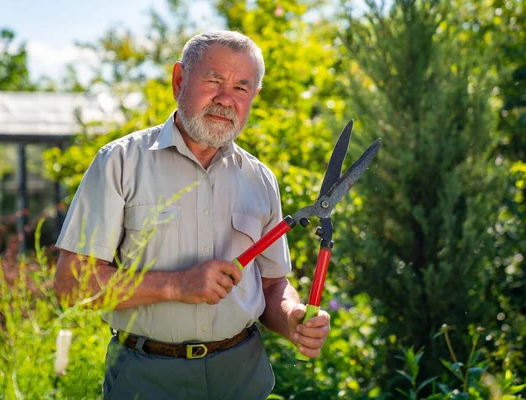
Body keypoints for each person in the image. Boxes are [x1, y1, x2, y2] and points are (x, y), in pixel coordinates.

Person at [54, 30, 331, 400]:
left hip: (241, 376)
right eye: (213, 80)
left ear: (254, 98)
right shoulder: (119, 162)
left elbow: (271, 286)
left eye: (241, 88)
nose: (225, 99)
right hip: (144, 377)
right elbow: (72, 284)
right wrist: (177, 285)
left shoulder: (260, 179)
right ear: (179, 80)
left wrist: (293, 317)